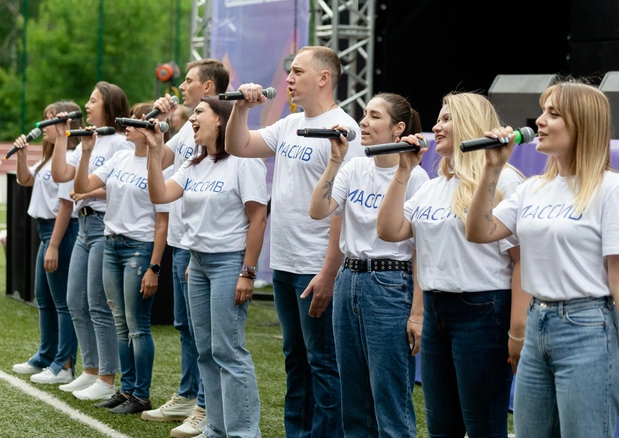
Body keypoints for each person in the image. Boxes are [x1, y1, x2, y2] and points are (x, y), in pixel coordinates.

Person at [464, 79, 619, 438]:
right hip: (538, 324)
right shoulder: (533, 187)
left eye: (553, 114)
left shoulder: (612, 188)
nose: (540, 121)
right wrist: (491, 168)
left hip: (589, 327)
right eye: (542, 111)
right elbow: (478, 231)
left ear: (581, 124)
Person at [225, 45, 363, 437]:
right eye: (289, 71)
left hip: (315, 267)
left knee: (322, 362)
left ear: (323, 77)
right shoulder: (289, 124)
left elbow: (344, 210)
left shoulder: (345, 131)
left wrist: (328, 272)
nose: (288, 79)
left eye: (297, 72)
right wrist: (241, 108)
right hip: (285, 264)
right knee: (295, 360)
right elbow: (239, 145)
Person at [376, 91, 527, 438]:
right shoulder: (434, 186)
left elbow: (523, 261)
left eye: (447, 118)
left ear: (471, 124)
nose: (435, 126)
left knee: (483, 427)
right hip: (437, 310)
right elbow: (389, 230)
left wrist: (517, 330)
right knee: (442, 427)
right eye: (438, 119)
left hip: (484, 311)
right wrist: (403, 171)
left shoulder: (504, 180)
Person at [144, 95, 266, 438]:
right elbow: (159, 194)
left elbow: (258, 218)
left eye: (199, 113)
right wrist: (155, 153)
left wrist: (247, 272)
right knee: (206, 352)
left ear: (220, 120)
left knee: (228, 350)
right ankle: (216, 426)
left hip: (229, 263)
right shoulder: (194, 163)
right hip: (196, 264)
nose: (192, 119)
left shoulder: (244, 160)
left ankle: (243, 432)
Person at [308, 92, 429, 437]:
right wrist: (334, 161)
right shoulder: (355, 167)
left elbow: (422, 250)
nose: (363, 122)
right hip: (349, 277)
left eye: (374, 116)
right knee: (353, 395)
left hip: (391, 283)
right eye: (364, 114)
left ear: (398, 128)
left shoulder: (417, 178)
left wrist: (417, 312)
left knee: (390, 396)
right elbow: (318, 211)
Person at [141, 58, 229, 438]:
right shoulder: (189, 128)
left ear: (208, 88)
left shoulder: (224, 136)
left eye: (189, 81)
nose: (181, 86)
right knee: (187, 327)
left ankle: (206, 406)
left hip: (210, 250)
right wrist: (155, 126)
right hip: (185, 242)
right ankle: (189, 395)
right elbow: (160, 165)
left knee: (209, 337)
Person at [72, 101, 170, 414]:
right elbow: (82, 187)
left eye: (134, 121)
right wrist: (86, 151)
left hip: (139, 249)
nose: (126, 125)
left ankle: (141, 395)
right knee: (120, 324)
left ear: (148, 129)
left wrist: (154, 266)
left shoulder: (158, 162)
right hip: (111, 244)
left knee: (137, 324)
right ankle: (126, 392)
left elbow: (163, 221)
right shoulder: (120, 156)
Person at [51, 81, 134, 401]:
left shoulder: (120, 143)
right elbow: (62, 176)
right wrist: (61, 138)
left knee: (99, 305)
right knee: (75, 300)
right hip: (84, 226)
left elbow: (124, 187)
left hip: (102, 224)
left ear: (110, 106)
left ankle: (106, 376)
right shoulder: (92, 140)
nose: (86, 105)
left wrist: (88, 192)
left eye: (93, 100)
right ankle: (90, 370)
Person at [11, 101, 83, 384]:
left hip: (60, 232)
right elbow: (26, 180)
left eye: (49, 120)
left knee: (63, 302)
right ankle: (45, 355)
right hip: (46, 232)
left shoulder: (73, 155)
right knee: (45, 299)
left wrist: (53, 245)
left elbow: (65, 205)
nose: (42, 126)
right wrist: (21, 156)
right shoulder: (50, 154)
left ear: (65, 124)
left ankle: (64, 365)